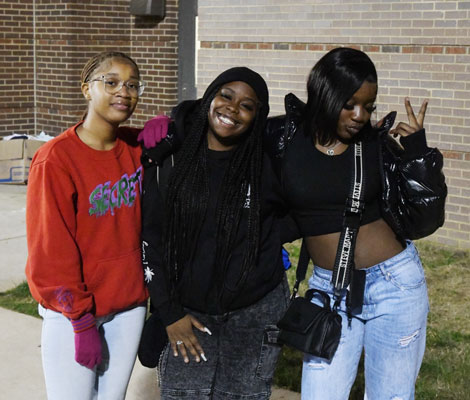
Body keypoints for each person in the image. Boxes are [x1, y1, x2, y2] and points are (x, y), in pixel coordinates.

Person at [264, 47, 446, 399]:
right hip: (328, 291)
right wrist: (171, 128)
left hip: (394, 285)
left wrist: (417, 154)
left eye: (369, 106)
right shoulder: (284, 136)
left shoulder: (376, 143)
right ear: (323, 94)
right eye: (349, 104)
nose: (360, 115)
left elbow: (425, 221)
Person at [141, 67, 290, 399]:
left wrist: (265, 246)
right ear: (209, 97)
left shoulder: (266, 164)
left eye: (247, 106)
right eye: (226, 96)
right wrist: (169, 312)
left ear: (257, 116)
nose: (233, 109)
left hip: (255, 313)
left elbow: (297, 212)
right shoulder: (171, 161)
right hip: (187, 315)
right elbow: (150, 240)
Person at [25, 51, 149, 400]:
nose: (123, 92)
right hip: (73, 314)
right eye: (111, 82)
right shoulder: (56, 159)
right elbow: (50, 251)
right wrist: (80, 321)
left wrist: (171, 126)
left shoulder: (138, 149)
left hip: (127, 306)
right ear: (86, 89)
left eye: (132, 85)